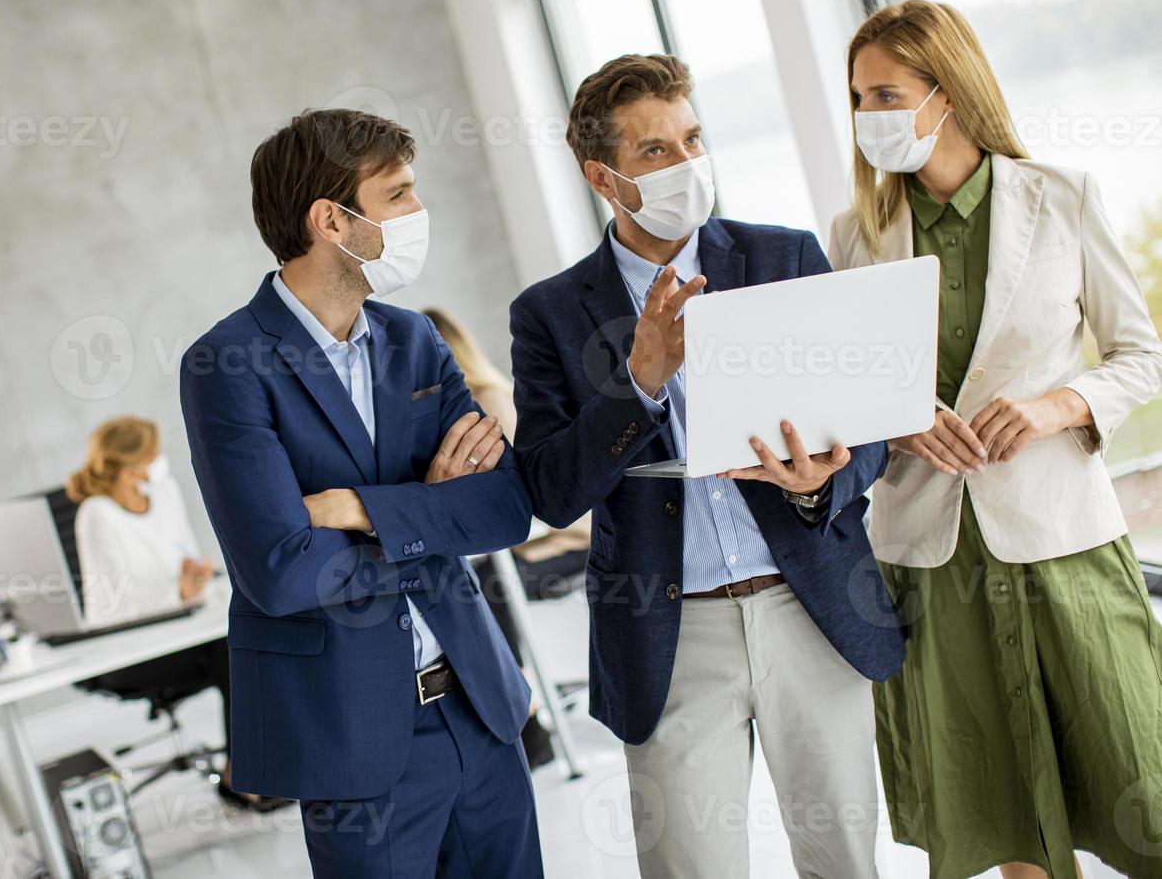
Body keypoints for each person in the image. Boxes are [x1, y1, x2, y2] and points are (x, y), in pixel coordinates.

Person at [508, 53, 906, 879]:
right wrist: (639, 383)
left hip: (811, 609)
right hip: (667, 628)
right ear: (603, 177)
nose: (687, 163)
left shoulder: (782, 256)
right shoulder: (548, 313)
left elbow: (870, 433)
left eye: (692, 138)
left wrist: (824, 480)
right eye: (655, 151)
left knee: (845, 864)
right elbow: (550, 490)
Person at [827, 0, 1162, 879]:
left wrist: (1059, 406)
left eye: (887, 94)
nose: (870, 117)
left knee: (1139, 787)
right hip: (930, 559)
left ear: (948, 90)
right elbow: (842, 400)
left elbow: (1141, 355)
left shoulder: (1061, 198)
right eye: (859, 98)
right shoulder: (855, 239)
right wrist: (895, 421)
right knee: (1006, 819)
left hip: (1062, 542)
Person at [179, 108, 543, 878]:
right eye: (400, 195)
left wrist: (354, 509)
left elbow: (506, 509)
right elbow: (280, 570)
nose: (419, 215)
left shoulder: (415, 339)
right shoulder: (227, 364)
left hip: (481, 710)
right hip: (354, 739)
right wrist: (430, 511)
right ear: (331, 220)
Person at [66, 416, 289, 813]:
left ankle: (268, 765)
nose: (160, 460)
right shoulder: (96, 515)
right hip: (131, 652)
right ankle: (244, 777)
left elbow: (184, 555)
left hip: (186, 631)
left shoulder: (165, 492)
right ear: (133, 465)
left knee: (255, 638)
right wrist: (176, 592)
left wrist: (194, 576)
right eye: (153, 453)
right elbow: (107, 610)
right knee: (231, 652)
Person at [421, 307, 587, 771]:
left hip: (569, 542)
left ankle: (525, 718)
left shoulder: (491, 399)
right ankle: (500, 715)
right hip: (519, 549)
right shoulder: (447, 411)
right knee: (460, 582)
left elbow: (533, 502)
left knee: (487, 583)